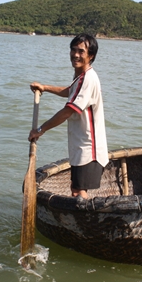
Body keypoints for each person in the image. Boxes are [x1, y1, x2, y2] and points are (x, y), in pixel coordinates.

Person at [28, 33, 108, 199]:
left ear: (91, 56)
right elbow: (70, 92)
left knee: (79, 193)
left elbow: (68, 111)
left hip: (89, 149)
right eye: (73, 50)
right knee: (75, 189)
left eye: (81, 51)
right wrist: (45, 87)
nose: (75, 55)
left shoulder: (88, 78)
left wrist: (40, 130)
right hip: (81, 147)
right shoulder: (80, 76)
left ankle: (89, 223)